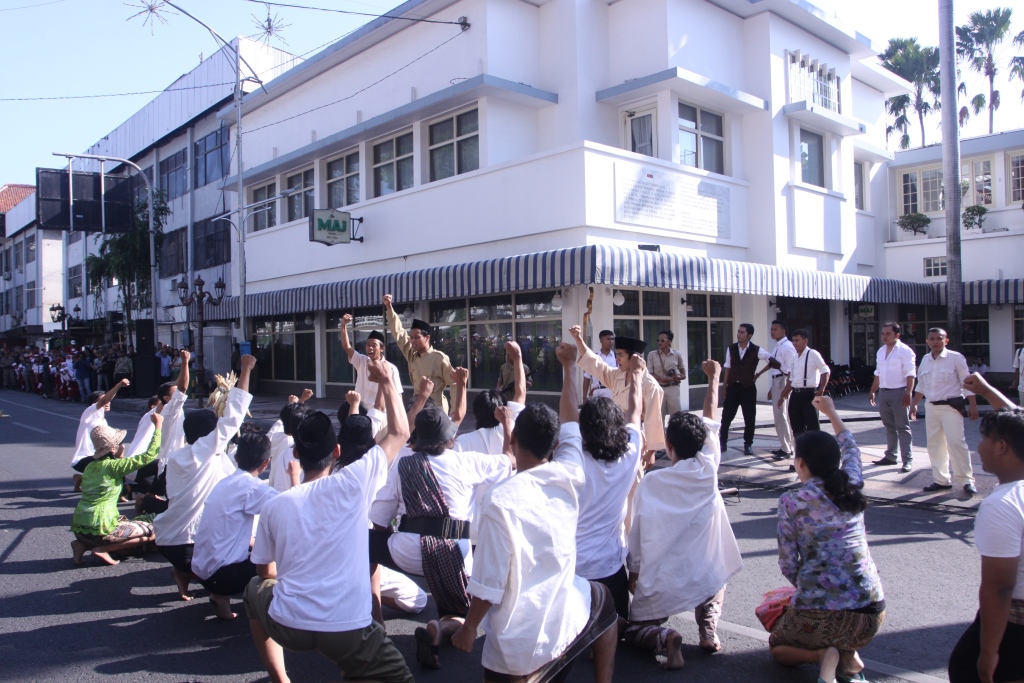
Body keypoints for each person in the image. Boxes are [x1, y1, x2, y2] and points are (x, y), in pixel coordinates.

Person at [451, 341, 619, 683]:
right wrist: (570, 367)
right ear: (555, 446)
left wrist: (468, 629)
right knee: (605, 601)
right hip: (568, 623)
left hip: (518, 649)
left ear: (512, 443)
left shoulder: (500, 500)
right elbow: (571, 421)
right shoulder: (570, 473)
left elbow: (488, 584)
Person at [245, 359, 414, 683]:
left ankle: (280, 679)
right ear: (336, 452)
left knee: (254, 589)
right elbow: (400, 431)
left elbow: (266, 572)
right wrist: (386, 382)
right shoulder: (353, 482)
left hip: (288, 623)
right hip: (348, 627)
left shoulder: (275, 505)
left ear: (296, 455)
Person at [368, 386, 513, 668]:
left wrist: (384, 547)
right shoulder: (465, 462)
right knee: (457, 616)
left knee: (364, 544)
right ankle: (439, 626)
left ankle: (375, 621)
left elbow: (380, 520)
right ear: (449, 438)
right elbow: (510, 459)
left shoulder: (401, 463)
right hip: (455, 555)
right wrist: (507, 424)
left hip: (407, 551)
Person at [624, 359, 742, 667]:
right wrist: (714, 379)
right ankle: (708, 628)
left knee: (635, 630)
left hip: (663, 579)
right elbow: (711, 417)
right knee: (717, 568)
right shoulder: (708, 469)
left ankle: (665, 638)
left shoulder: (653, 483)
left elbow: (636, 533)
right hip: (704, 570)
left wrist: (634, 570)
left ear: (670, 446)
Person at [771, 395, 885, 683]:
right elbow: (852, 449)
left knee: (778, 647)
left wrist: (811, 585)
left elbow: (787, 564)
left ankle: (824, 656)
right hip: (870, 614)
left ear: (800, 463)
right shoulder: (850, 484)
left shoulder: (792, 500)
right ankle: (847, 654)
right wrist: (832, 413)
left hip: (819, 613)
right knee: (838, 628)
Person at [153, 354, 255, 601]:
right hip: (191, 543)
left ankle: (184, 571)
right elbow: (234, 415)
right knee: (248, 561)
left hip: (167, 540)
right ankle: (213, 590)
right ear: (210, 436)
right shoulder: (205, 451)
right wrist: (246, 370)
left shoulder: (177, 458)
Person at [947, 373, 1024, 683]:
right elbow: (1018, 423)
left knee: (966, 670)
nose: (979, 446)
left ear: (1002, 447)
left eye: (984, 439)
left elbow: (999, 587)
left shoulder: (1002, 504)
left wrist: (989, 651)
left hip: (1015, 626)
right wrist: (986, 390)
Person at [192, 430, 299, 621]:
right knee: (285, 558)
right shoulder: (253, 487)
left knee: (256, 546)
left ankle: (220, 597)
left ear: (236, 456)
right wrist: (294, 476)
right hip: (223, 574)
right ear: (266, 462)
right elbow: (293, 509)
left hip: (201, 568)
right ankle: (278, 610)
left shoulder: (224, 483)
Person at [575, 352, 645, 621]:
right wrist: (637, 377)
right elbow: (635, 413)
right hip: (611, 567)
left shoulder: (574, 459)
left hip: (576, 568)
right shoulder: (629, 456)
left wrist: (570, 367)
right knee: (618, 630)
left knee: (577, 632)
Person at [70, 413, 163, 566]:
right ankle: (103, 549)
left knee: (135, 530)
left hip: (80, 528)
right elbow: (149, 455)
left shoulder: (90, 466)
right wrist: (158, 427)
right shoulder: (114, 466)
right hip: (100, 529)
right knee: (154, 528)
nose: (123, 446)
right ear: (113, 448)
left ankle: (83, 545)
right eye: (120, 443)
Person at [572, 325, 666, 453]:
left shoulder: (650, 385)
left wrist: (651, 453)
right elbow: (597, 365)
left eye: (620, 355)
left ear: (634, 357)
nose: (617, 359)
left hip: (635, 440)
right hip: (613, 436)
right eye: (616, 355)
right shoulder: (617, 375)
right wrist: (578, 339)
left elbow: (653, 421)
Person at [910, 328, 979, 496]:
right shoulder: (926, 360)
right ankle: (941, 480)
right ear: (927, 341)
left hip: (951, 407)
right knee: (935, 445)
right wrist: (914, 404)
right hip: (931, 407)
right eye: (932, 339)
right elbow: (921, 385)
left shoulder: (955, 358)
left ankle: (966, 480)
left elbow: (967, 383)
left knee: (956, 443)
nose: (935, 341)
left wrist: (973, 405)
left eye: (939, 338)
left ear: (946, 340)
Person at [383, 293, 455, 411]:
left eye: (417, 337)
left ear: (427, 338)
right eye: (411, 337)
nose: (412, 340)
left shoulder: (439, 358)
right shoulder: (412, 354)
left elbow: (455, 384)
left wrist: (454, 412)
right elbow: (399, 333)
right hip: (417, 406)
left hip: (435, 409)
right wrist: (389, 308)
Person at [720, 323, 778, 455]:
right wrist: (724, 386)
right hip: (733, 387)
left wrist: (758, 374)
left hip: (748, 388)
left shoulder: (757, 350)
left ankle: (748, 444)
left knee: (749, 417)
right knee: (726, 416)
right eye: (738, 332)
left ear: (749, 335)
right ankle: (722, 442)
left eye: (742, 332)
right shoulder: (732, 348)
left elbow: (772, 361)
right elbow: (728, 367)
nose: (739, 334)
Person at [339, 313, 403, 430]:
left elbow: (398, 395)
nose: (370, 348)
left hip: (378, 415)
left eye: (374, 345)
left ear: (382, 348)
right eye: (368, 345)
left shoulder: (391, 368)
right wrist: (343, 326)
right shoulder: (362, 361)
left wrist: (399, 419)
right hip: (359, 411)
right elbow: (347, 348)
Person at [869, 322, 917, 473]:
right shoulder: (881, 351)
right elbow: (878, 373)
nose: (884, 337)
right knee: (889, 426)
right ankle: (890, 456)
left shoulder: (905, 351)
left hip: (899, 392)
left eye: (888, 334)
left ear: (897, 335)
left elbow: (910, 374)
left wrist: (908, 393)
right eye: (883, 334)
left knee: (903, 427)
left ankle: (907, 460)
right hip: (884, 392)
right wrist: (873, 391)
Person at [70, 379, 131, 492]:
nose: (108, 402)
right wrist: (118, 385)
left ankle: (81, 479)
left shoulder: (102, 421)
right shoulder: (89, 412)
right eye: (104, 400)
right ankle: (120, 490)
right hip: (82, 459)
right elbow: (105, 399)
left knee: (118, 454)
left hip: (98, 456)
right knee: (112, 464)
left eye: (108, 400)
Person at [779, 329, 831, 443]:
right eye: (793, 340)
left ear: (805, 340)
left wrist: (821, 390)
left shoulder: (813, 354)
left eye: (797, 340)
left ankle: (816, 456)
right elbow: (791, 380)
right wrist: (783, 395)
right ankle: (801, 455)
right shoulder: (794, 357)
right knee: (797, 428)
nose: (795, 343)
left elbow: (825, 371)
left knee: (812, 427)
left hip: (809, 394)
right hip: (795, 395)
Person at [760, 320, 798, 462]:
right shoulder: (777, 346)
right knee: (781, 416)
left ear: (783, 331)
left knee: (781, 416)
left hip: (783, 382)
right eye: (771, 329)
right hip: (777, 381)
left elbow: (789, 370)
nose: (772, 331)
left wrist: (785, 391)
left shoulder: (787, 347)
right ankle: (785, 445)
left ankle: (787, 448)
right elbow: (775, 367)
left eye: (775, 329)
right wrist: (771, 388)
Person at [266, 390, 313, 493]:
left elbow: (290, 418)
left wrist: (299, 401)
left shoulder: (278, 435)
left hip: (277, 491)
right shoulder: (289, 444)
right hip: (288, 495)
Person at [648, 330, 686, 417]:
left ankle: (675, 431)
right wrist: (661, 379)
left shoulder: (677, 354)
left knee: (676, 416)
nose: (659, 342)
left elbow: (681, 368)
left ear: (669, 342)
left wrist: (681, 376)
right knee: (658, 417)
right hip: (658, 388)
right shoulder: (652, 355)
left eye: (662, 340)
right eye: (658, 340)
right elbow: (649, 373)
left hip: (673, 388)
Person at [582, 330, 616, 400]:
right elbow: (587, 377)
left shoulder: (617, 357)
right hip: (597, 392)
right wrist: (584, 397)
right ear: (601, 340)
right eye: (608, 339)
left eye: (612, 339)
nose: (611, 341)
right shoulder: (594, 358)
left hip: (613, 392)